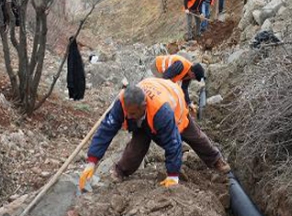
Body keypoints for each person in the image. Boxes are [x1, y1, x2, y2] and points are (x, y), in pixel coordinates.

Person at [78, 78, 230, 190]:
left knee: (194, 137)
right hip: (146, 116)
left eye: (132, 113)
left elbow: (173, 144)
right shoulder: (123, 104)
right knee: (137, 145)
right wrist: (92, 161)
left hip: (175, 107)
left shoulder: (162, 111)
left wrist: (172, 176)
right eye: (127, 112)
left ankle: (216, 160)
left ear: (143, 106)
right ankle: (120, 171)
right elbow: (106, 130)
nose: (128, 116)